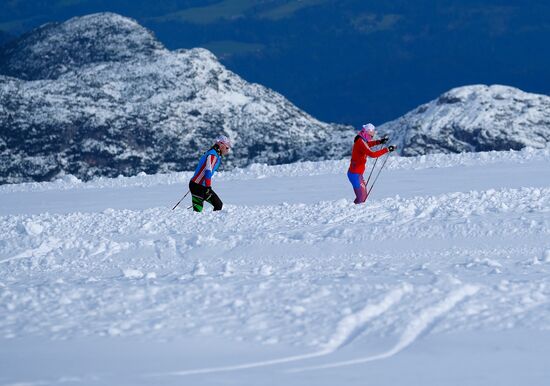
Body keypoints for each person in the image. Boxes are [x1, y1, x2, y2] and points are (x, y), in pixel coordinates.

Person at [348, 123, 396, 204]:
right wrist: (387, 150)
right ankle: (352, 212)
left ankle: (354, 210)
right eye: (371, 136)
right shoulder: (360, 142)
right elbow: (372, 154)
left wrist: (379, 142)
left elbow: (367, 144)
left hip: (358, 174)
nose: (371, 138)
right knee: (361, 199)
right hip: (355, 174)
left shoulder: (362, 140)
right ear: (367, 132)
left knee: (363, 197)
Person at [189, 135, 232, 212]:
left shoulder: (215, 154)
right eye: (227, 147)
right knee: (197, 211)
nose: (227, 150)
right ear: (221, 145)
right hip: (198, 186)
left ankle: (212, 223)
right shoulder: (213, 155)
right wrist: (208, 187)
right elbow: (208, 171)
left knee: (218, 204)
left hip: (200, 185)